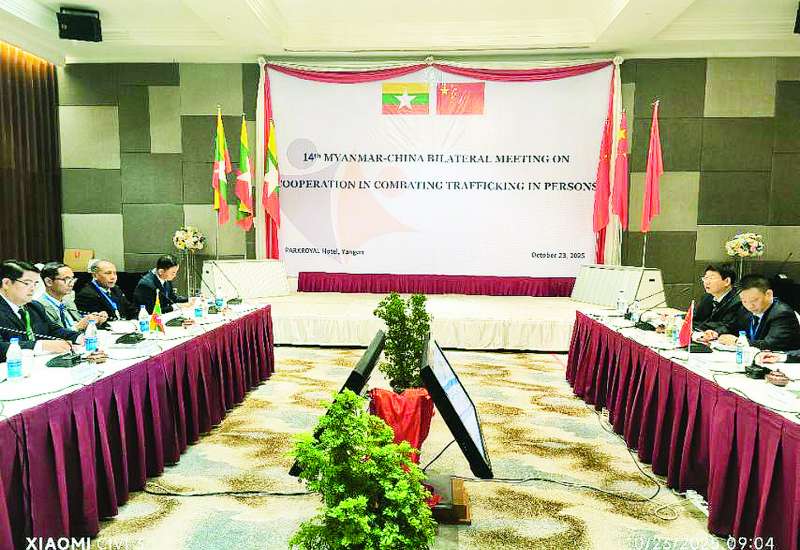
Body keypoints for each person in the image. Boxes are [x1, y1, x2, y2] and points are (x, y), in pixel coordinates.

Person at [0, 260, 81, 361]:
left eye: (35, 283)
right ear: (6, 283)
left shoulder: (34, 306)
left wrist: (79, 337)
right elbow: (1, 346)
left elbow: (53, 330)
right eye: (27, 283)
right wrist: (41, 345)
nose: (33, 288)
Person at [712, 274, 800, 351]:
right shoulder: (744, 309)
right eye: (744, 301)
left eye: (754, 300)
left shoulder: (782, 313)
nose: (750, 306)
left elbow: (771, 344)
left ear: (768, 294)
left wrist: (737, 342)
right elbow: (731, 326)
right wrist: (715, 333)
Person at [36, 262, 108, 331]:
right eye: (66, 279)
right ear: (49, 282)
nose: (72, 284)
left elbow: (78, 323)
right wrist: (78, 327)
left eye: (72, 279)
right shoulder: (39, 307)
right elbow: (52, 335)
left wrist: (94, 320)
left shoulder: (67, 301)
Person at [695, 263, 747, 339]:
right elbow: (696, 317)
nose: (706, 282)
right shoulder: (707, 297)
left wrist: (712, 332)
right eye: (705, 278)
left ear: (727, 281)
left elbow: (727, 326)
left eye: (711, 278)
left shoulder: (738, 301)